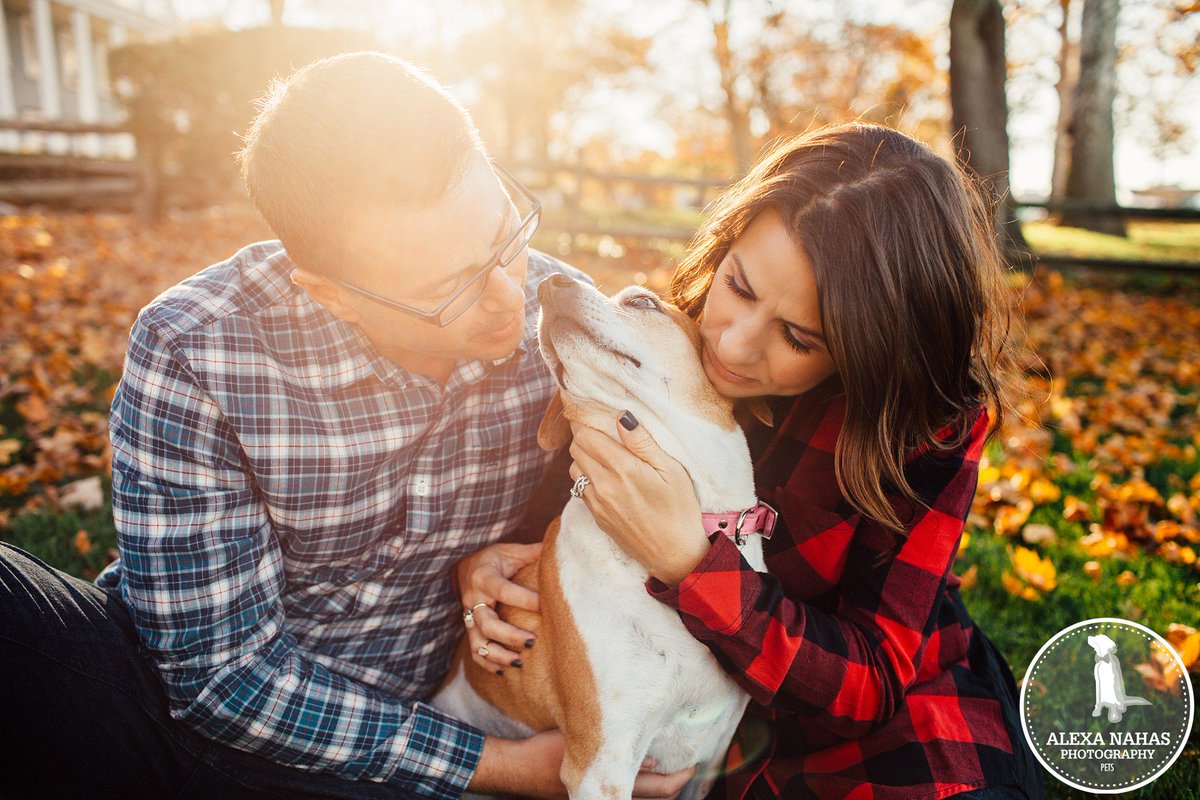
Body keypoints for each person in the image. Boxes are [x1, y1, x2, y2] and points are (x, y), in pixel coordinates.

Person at [0, 52, 691, 799]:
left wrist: (499, 559)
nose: (506, 295)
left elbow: (614, 521)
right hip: (169, 718)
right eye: (448, 289)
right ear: (333, 297)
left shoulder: (561, 323)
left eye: (505, 235)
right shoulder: (197, 345)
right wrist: (501, 770)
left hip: (404, 739)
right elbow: (218, 678)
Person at [534, 123, 1047, 799]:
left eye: (799, 337)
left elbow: (872, 681)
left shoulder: (925, 430)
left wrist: (692, 563)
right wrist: (498, 570)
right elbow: (556, 511)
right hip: (689, 703)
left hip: (855, 707)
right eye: (739, 285)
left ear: (873, 349)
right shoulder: (667, 345)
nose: (735, 346)